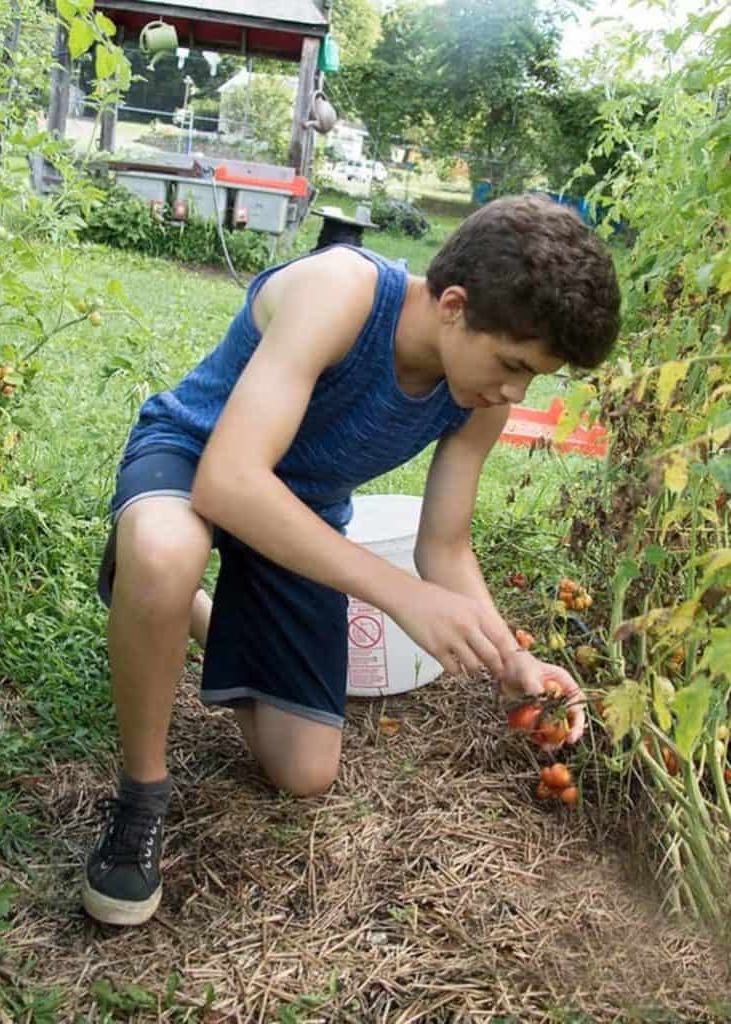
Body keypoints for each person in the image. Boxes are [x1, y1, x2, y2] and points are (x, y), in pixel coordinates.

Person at [82, 193, 621, 927]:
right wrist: (400, 596)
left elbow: (444, 546)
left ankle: (169, 609)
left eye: (533, 377)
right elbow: (230, 482)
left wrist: (512, 663)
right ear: (454, 305)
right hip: (196, 459)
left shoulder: (477, 398)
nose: (514, 391)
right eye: (511, 364)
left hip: (298, 514)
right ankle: (140, 794)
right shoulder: (340, 291)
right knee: (165, 550)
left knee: (304, 771)